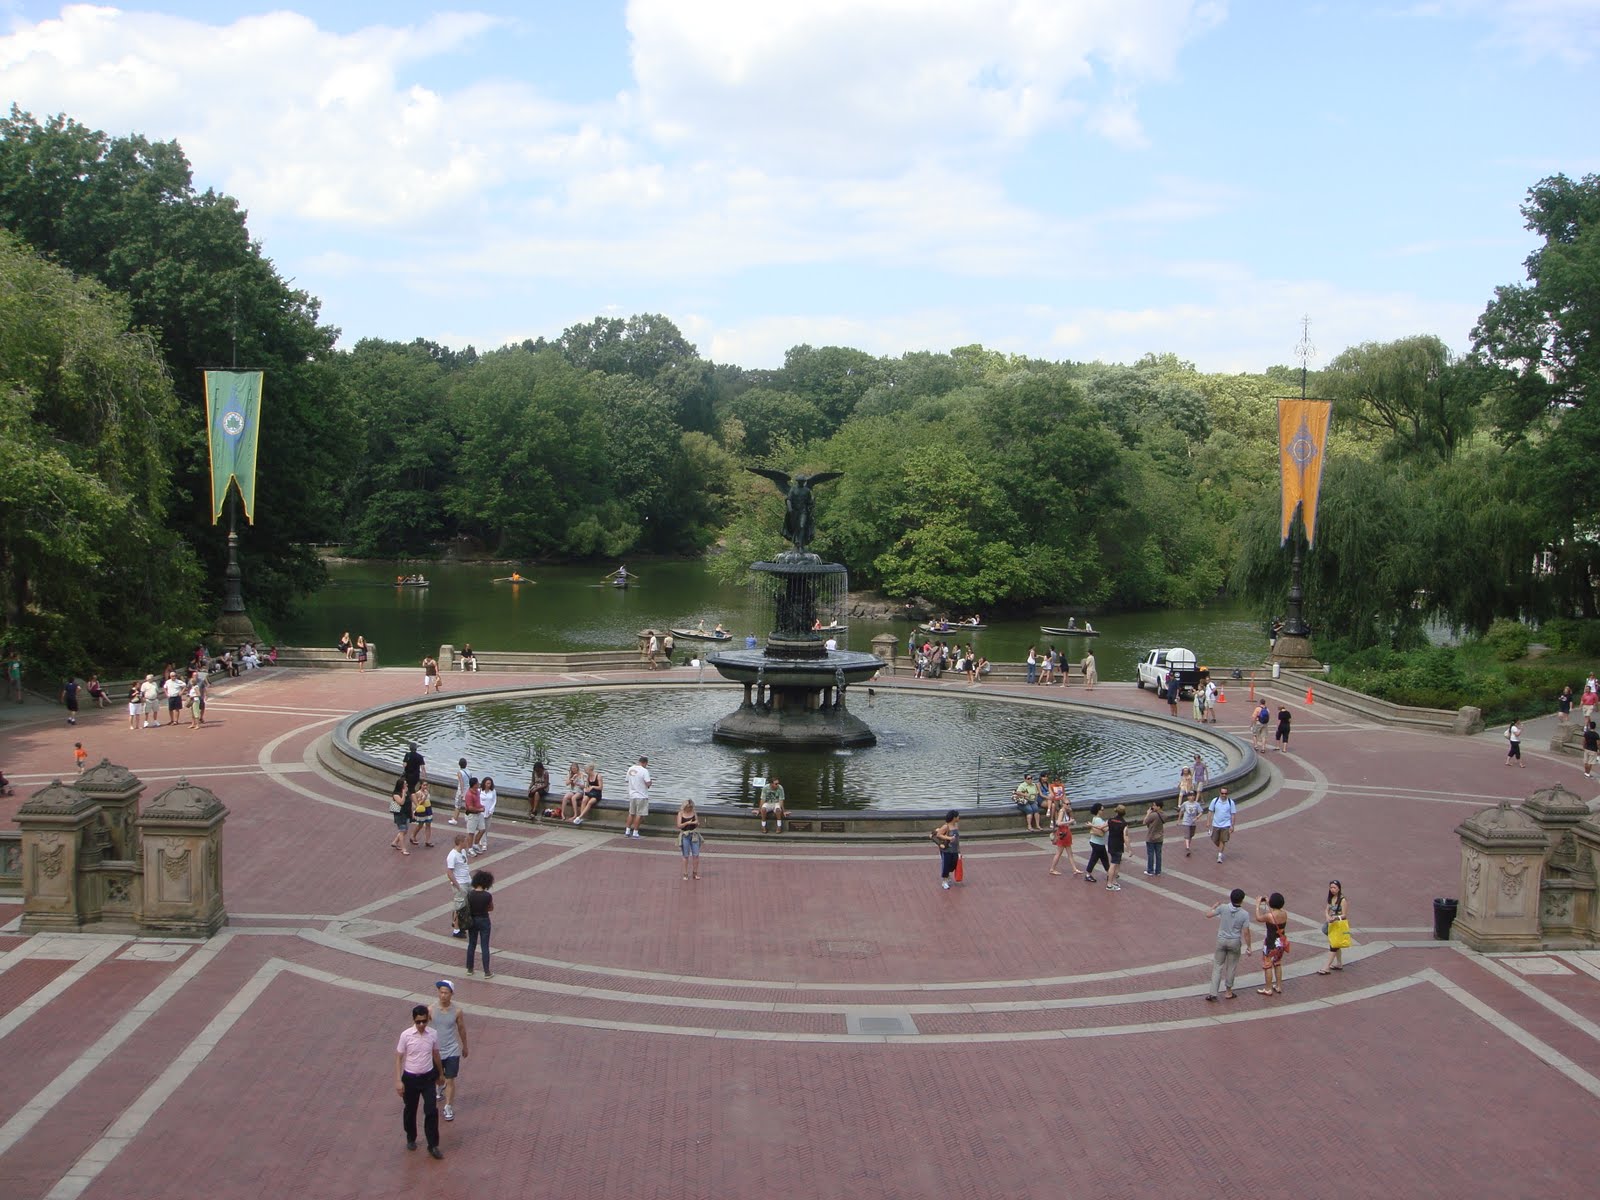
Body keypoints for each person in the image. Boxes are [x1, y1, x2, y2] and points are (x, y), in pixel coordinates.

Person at [394, 1004, 445, 1158]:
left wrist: (441, 1074)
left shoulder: (433, 1034)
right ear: (414, 1020)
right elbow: (398, 1058)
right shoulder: (406, 1035)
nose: (421, 1025)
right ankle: (411, 1137)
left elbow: (436, 1054)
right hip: (410, 1078)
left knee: (431, 1111)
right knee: (410, 1109)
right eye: (418, 1022)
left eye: (424, 1021)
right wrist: (398, 1080)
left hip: (428, 1077)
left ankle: (433, 1144)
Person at [1204, 888, 1253, 1002]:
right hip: (1234, 941)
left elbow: (1208, 915)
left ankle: (1213, 993)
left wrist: (1214, 906)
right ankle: (1228, 991)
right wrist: (1249, 946)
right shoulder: (1244, 914)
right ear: (1242, 900)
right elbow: (1246, 932)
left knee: (1217, 966)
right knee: (1231, 966)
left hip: (1221, 940)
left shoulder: (1223, 908)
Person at [430, 980, 469, 1123]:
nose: (443, 995)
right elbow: (420, 1026)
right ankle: (439, 1087)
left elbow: (461, 1029)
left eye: (446, 992)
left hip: (452, 1049)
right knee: (438, 1078)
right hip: (436, 1051)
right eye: (441, 992)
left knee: (450, 1078)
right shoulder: (431, 1009)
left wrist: (465, 1046)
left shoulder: (457, 1011)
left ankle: (448, 1106)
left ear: (451, 994)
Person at [1255, 892, 1290, 996]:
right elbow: (1275, 909)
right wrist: (1269, 902)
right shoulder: (1284, 913)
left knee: (1268, 965)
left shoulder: (1270, 916)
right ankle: (1278, 986)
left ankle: (1268, 988)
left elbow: (1258, 918)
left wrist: (1257, 906)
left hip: (1270, 943)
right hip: (1281, 943)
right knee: (1278, 963)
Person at [465, 869, 494, 977]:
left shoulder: (470, 894)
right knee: (484, 946)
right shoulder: (487, 895)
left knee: (471, 944)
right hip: (484, 920)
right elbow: (491, 908)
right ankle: (487, 971)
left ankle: (469, 968)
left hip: (472, 920)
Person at [1317, 881, 1349, 975]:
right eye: (1331, 887)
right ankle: (1339, 964)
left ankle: (1326, 967)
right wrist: (1327, 916)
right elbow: (1326, 909)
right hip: (1331, 925)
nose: (1332, 889)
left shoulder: (1342, 900)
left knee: (1333, 946)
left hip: (1338, 926)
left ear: (1339, 888)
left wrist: (1336, 917)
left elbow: (1344, 915)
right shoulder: (1331, 898)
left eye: (1334, 887)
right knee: (1335, 944)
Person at [445, 833, 472, 938]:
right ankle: (456, 929)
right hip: (460, 883)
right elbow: (449, 872)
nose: (467, 843)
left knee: (465, 905)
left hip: (467, 881)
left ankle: (460, 925)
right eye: (465, 841)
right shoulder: (452, 855)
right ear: (460, 842)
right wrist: (457, 886)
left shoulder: (463, 851)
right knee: (459, 906)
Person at [932, 810, 961, 890]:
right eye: (958, 816)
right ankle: (944, 880)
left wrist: (959, 850)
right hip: (946, 849)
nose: (959, 817)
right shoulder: (946, 826)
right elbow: (939, 834)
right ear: (954, 818)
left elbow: (957, 839)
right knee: (946, 865)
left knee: (953, 865)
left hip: (954, 849)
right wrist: (949, 838)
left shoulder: (956, 825)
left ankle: (947, 876)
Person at [1207, 786, 1237, 863]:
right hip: (1216, 824)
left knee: (1222, 840)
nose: (1224, 795)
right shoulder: (1215, 801)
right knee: (1214, 839)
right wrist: (1208, 822)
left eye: (1225, 793)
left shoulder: (1231, 802)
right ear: (1219, 793)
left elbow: (1233, 814)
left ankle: (1219, 856)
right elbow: (1210, 811)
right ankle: (1221, 848)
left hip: (1226, 824)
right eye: (1222, 793)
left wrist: (1232, 825)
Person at [624, 755, 652, 839]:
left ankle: (627, 831)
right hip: (641, 795)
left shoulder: (631, 769)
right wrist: (650, 783)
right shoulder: (644, 771)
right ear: (645, 763)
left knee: (631, 813)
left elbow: (626, 780)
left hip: (632, 795)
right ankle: (635, 832)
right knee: (639, 814)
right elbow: (648, 783)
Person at [1048, 801, 1078, 876]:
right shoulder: (1062, 811)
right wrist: (1069, 822)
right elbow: (1058, 823)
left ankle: (1074, 868)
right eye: (1067, 804)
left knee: (1069, 852)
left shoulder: (1066, 811)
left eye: (1070, 804)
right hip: (1062, 832)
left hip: (1066, 832)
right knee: (1059, 852)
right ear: (1063, 804)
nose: (1069, 805)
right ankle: (1052, 869)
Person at [1083, 803, 1110, 883]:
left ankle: (1109, 873)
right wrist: (1109, 824)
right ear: (1098, 811)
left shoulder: (1095, 818)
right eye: (1102, 810)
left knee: (1102, 858)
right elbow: (1105, 829)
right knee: (1096, 859)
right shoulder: (1098, 820)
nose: (1103, 811)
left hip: (1096, 842)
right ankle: (1088, 874)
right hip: (1098, 843)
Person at [1104, 804, 1129, 891]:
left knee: (1117, 863)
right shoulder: (1124, 823)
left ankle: (1114, 881)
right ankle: (1109, 884)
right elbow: (1125, 837)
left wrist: (1092, 826)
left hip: (1111, 844)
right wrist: (1129, 849)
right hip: (1118, 845)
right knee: (1114, 864)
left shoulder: (1110, 820)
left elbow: (1103, 827)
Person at [677, 798, 703, 880]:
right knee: (685, 855)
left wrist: (696, 823)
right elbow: (679, 825)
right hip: (685, 835)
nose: (689, 809)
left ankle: (695, 873)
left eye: (690, 808)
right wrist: (687, 823)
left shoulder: (694, 813)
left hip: (694, 835)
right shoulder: (680, 813)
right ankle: (685, 873)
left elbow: (697, 823)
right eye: (688, 808)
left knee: (696, 855)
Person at [1178, 771, 1201, 857]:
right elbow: (1181, 811)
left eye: (1193, 796)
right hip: (1186, 822)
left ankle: (1188, 845)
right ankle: (1187, 848)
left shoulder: (1196, 804)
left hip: (1193, 822)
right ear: (1188, 797)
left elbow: (1201, 812)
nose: (1191, 797)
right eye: (1190, 796)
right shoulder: (1185, 804)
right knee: (1187, 835)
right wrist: (1179, 820)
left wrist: (1197, 817)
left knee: (1191, 835)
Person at [389, 778, 414, 855]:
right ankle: (403, 849)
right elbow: (401, 802)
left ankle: (395, 842)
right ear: (401, 785)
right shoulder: (396, 794)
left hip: (406, 814)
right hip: (400, 815)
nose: (407, 785)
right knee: (402, 831)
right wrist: (403, 793)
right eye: (405, 784)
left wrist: (412, 813)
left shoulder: (407, 792)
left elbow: (410, 803)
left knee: (405, 830)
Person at [462, 777, 486, 855]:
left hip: (479, 814)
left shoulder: (478, 792)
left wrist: (481, 806)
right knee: (471, 833)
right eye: (477, 783)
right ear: (474, 785)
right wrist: (480, 810)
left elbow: (478, 802)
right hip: (472, 815)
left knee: (482, 829)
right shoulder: (469, 794)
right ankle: (470, 849)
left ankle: (475, 845)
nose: (479, 784)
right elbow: (470, 808)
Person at [408, 780, 435, 848]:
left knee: (428, 824)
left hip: (428, 809)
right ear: (421, 785)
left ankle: (427, 841)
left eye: (426, 785)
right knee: (420, 825)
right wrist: (424, 797)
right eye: (424, 785)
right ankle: (413, 836)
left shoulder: (426, 792)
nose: (425, 787)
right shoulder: (418, 793)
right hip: (422, 809)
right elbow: (419, 803)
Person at [1143, 801, 1165, 876]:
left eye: (1154, 805)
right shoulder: (1164, 815)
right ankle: (1158, 871)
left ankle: (1150, 870)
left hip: (1151, 837)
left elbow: (1144, 822)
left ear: (1159, 807)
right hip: (1160, 837)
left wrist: (1148, 813)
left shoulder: (1153, 815)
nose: (1153, 807)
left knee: (1150, 854)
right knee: (1158, 854)